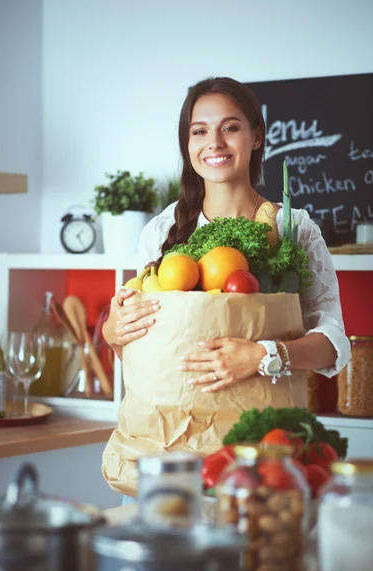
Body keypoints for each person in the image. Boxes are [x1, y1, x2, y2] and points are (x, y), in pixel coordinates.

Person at [102, 76, 350, 502]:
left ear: (256, 137)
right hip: (164, 452)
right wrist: (114, 332)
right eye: (199, 131)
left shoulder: (294, 228)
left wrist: (264, 355)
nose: (213, 142)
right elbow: (148, 351)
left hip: (257, 460)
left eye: (230, 127)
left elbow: (334, 346)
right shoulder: (161, 230)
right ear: (187, 143)